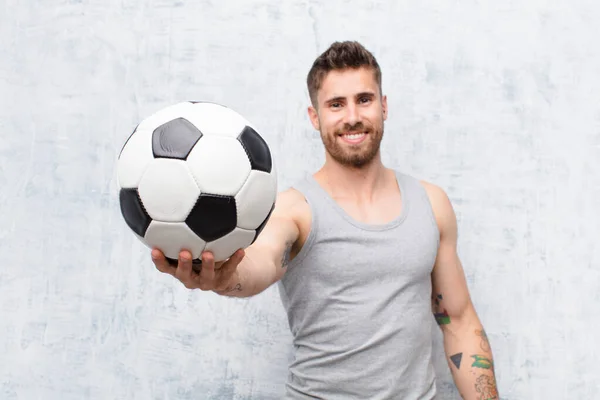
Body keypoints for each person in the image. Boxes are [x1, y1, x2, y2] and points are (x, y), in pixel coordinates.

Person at [151, 41, 499, 400]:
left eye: (364, 99)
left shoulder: (431, 203)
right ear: (315, 116)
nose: (352, 117)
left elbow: (458, 321)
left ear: (383, 106)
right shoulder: (296, 209)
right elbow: (260, 262)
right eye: (336, 104)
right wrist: (225, 277)